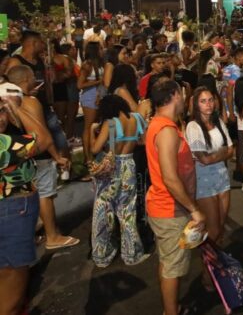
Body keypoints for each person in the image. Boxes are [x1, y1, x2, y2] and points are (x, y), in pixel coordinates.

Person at [145, 80, 204, 315]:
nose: (184, 98)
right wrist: (193, 208)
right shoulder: (166, 130)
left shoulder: (161, 125)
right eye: (182, 93)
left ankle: (172, 307)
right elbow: (170, 178)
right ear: (174, 95)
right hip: (170, 208)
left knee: (167, 261)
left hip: (164, 206)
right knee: (172, 266)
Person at [5, 68, 76, 250]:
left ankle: (36, 234)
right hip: (38, 156)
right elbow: (43, 136)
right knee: (45, 195)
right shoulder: (28, 102)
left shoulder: (17, 100)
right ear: (27, 78)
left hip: (21, 161)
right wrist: (57, 157)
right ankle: (52, 236)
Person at [89, 95, 149, 267]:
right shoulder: (137, 118)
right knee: (127, 211)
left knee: (103, 210)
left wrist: (92, 132)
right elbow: (142, 141)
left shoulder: (111, 123)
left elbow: (95, 148)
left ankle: (103, 254)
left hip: (111, 169)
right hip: (129, 165)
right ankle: (132, 254)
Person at [0, 85, 42, 315]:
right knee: (12, 299)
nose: (1, 118)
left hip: (12, 211)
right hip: (10, 214)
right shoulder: (4, 146)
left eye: (0, 111)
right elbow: (42, 138)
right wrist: (17, 107)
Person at [185, 87, 234, 249]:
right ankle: (208, 271)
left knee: (220, 227)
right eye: (203, 101)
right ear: (196, 104)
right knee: (212, 231)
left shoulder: (218, 121)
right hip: (203, 181)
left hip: (222, 178)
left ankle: (217, 268)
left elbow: (231, 150)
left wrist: (216, 155)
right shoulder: (193, 126)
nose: (208, 104)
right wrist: (220, 153)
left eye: (211, 100)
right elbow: (204, 159)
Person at [79, 42, 108, 161]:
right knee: (88, 126)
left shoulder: (101, 63)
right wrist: (98, 81)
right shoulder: (87, 65)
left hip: (98, 96)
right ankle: (88, 157)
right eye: (100, 48)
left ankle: (94, 152)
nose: (103, 50)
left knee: (95, 126)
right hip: (89, 97)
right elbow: (79, 84)